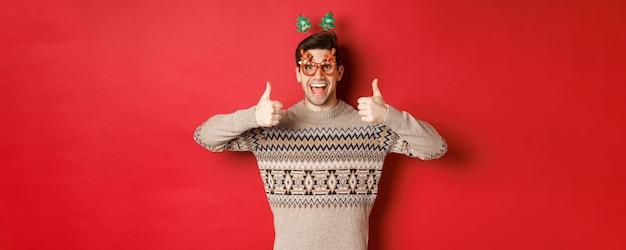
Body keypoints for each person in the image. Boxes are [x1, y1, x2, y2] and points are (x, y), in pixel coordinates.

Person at [194, 31, 447, 250]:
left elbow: (436, 148)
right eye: (308, 66)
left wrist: (390, 116)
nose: (318, 75)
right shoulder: (270, 127)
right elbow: (204, 137)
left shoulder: (371, 128)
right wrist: (251, 117)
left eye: (326, 66)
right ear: (298, 73)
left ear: (338, 72)